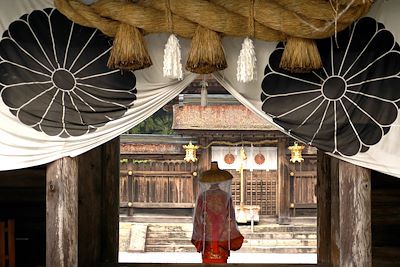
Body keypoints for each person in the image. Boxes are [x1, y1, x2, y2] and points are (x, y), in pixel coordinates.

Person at [191, 162, 244, 263]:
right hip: (222, 233)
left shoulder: (203, 196)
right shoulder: (225, 196)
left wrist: (199, 232)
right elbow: (231, 217)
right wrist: (231, 231)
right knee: (221, 259)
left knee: (207, 257)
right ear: (220, 182)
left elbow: (198, 217)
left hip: (207, 233)